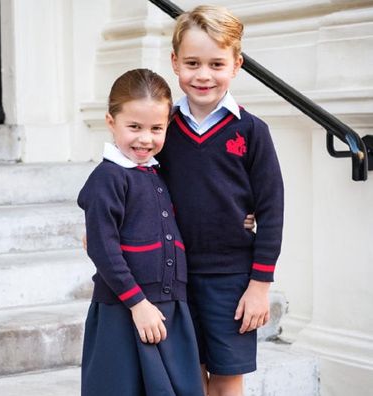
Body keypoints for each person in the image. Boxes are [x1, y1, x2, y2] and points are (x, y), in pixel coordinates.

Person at [156, 5, 284, 396]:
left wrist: (260, 284)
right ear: (175, 62)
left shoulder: (252, 131)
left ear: (236, 64)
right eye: (192, 62)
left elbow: (272, 209)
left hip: (231, 278)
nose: (204, 75)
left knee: (227, 378)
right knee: (189, 378)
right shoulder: (162, 129)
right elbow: (135, 186)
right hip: (173, 275)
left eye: (216, 63)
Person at [77, 68, 205, 396]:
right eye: (134, 127)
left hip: (169, 306)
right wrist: (137, 304)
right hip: (124, 308)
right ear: (111, 122)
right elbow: (102, 247)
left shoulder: (157, 174)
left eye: (156, 128)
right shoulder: (109, 178)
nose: (145, 138)